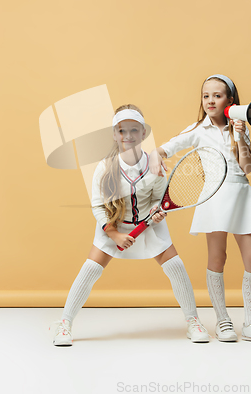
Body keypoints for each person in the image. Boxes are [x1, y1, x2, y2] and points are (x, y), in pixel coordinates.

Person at [51, 104, 209, 346]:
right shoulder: (104, 168)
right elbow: (97, 206)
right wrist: (114, 235)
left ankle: (193, 321)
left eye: (134, 130)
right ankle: (64, 324)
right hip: (112, 227)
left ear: (143, 133)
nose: (128, 136)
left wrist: (157, 212)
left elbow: (158, 198)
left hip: (150, 226)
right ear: (115, 134)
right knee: (90, 270)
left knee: (176, 266)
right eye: (122, 131)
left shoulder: (155, 165)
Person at [150, 75, 251, 344]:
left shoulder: (239, 127)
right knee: (217, 259)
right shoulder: (197, 130)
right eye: (206, 95)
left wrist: (240, 135)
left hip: (240, 194)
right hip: (213, 197)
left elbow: (248, 167)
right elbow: (167, 147)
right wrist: (156, 155)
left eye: (217, 96)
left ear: (230, 100)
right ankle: (223, 321)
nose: (210, 101)